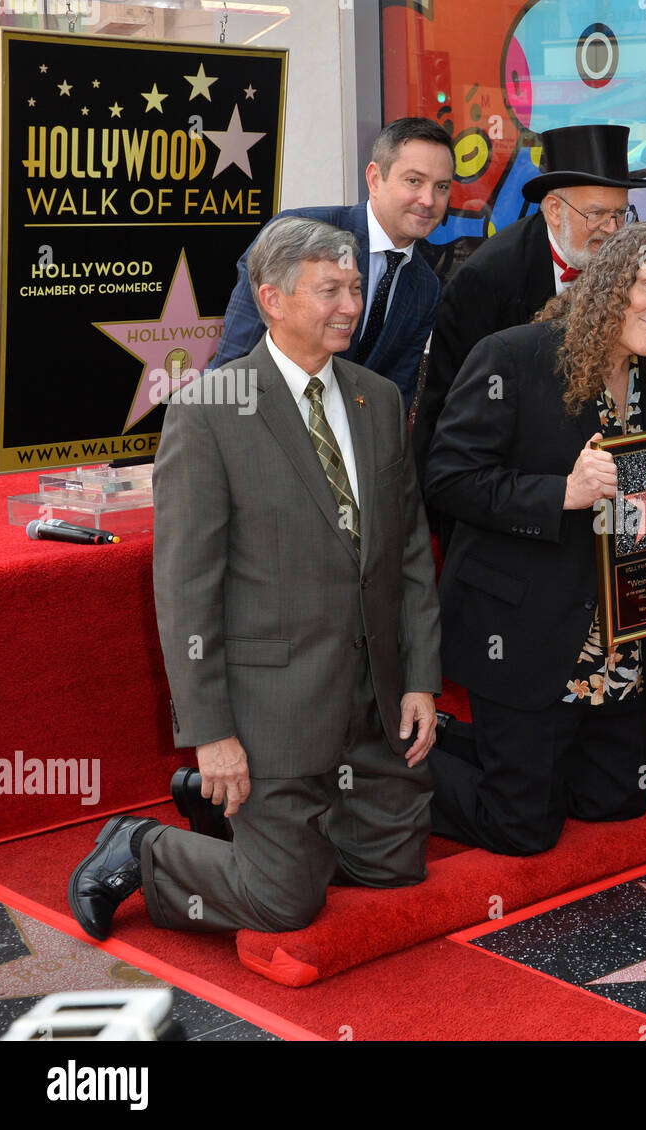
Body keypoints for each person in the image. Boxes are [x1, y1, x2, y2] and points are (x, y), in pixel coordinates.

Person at [68, 217, 442, 939]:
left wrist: (421, 675)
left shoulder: (379, 399)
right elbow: (185, 588)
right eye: (328, 289)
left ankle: (258, 825)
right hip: (273, 705)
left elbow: (409, 554)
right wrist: (212, 734)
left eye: (356, 288)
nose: (350, 306)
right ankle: (143, 849)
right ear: (270, 298)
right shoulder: (210, 408)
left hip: (373, 700)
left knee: (393, 868)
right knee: (286, 902)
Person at [424, 221, 646, 856]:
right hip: (521, 629)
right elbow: (447, 479)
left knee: (615, 803)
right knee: (523, 828)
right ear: (610, 283)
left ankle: (457, 739)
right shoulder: (514, 355)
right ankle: (377, 765)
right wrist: (562, 492)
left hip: (613, 639)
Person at [411, 124, 646, 531]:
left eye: (619, 214)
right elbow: (449, 435)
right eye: (596, 214)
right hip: (514, 515)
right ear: (554, 209)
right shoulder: (488, 280)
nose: (612, 230)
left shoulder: (632, 271)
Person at [210, 117, 454, 411]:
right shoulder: (299, 234)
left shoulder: (424, 287)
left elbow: (392, 401)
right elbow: (234, 365)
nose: (428, 200)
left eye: (441, 186)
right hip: (265, 430)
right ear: (375, 179)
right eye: (414, 181)